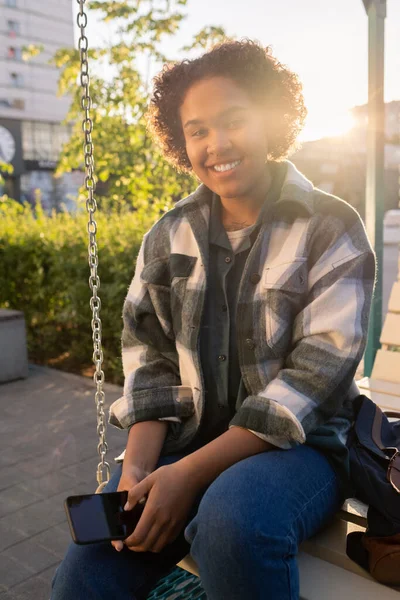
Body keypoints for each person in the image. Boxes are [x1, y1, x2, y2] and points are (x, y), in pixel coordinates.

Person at [51, 40, 376, 600]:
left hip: (301, 450)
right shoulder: (168, 235)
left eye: (234, 121)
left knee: (233, 526)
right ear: (181, 142)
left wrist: (188, 474)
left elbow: (312, 380)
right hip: (186, 439)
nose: (216, 144)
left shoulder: (331, 227)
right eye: (197, 130)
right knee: (90, 567)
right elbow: (149, 363)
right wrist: (137, 471)